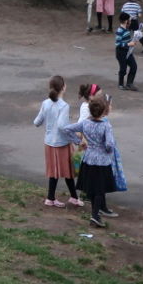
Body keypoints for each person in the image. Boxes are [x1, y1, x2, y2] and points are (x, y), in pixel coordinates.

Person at [62, 94, 119, 228]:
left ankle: (96, 214)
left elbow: (66, 129)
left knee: (92, 189)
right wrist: (108, 151)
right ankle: (94, 216)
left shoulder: (85, 123)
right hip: (102, 162)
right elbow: (110, 144)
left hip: (88, 159)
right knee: (100, 190)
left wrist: (78, 142)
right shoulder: (106, 126)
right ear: (103, 110)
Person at [33, 75, 82, 208]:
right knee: (67, 171)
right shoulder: (63, 106)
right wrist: (76, 139)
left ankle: (62, 197)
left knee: (56, 171)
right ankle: (62, 198)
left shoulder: (45, 103)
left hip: (49, 142)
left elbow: (37, 122)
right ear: (63, 88)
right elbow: (62, 126)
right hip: (61, 144)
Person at [114, 12, 138, 91]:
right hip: (121, 53)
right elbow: (118, 43)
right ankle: (121, 84)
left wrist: (134, 41)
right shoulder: (120, 30)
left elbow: (128, 40)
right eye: (129, 20)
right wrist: (128, 44)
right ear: (126, 21)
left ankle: (129, 83)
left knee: (134, 66)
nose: (130, 21)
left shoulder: (127, 29)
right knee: (123, 69)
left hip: (128, 52)